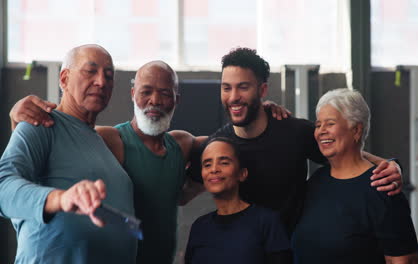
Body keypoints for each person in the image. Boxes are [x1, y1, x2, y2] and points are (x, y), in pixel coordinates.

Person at [9, 60, 290, 263]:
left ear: (176, 99)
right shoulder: (107, 139)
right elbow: (60, 139)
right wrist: (18, 117)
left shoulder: (182, 144)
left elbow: (235, 140)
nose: (154, 100)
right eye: (146, 92)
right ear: (133, 94)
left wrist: (260, 112)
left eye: (165, 93)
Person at [189, 47, 404, 235]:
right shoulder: (218, 147)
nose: (233, 96)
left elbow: (345, 153)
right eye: (227, 87)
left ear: (262, 90)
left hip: (295, 252)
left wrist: (387, 164)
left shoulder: (294, 131)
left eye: (243, 87)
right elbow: (183, 195)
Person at [0, 44, 137, 263]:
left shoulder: (102, 143)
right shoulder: (40, 124)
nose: (101, 82)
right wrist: (61, 198)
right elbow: (3, 188)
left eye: (109, 76)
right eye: (90, 71)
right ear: (64, 79)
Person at [292, 88, 418, 264]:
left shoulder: (382, 187)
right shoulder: (316, 181)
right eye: (318, 124)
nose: (321, 131)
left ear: (357, 130)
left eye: (330, 123)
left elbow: (404, 260)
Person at [185, 137, 292, 264]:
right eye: (207, 164)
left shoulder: (267, 222)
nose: (214, 169)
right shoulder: (199, 227)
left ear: (242, 174)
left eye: (224, 162)